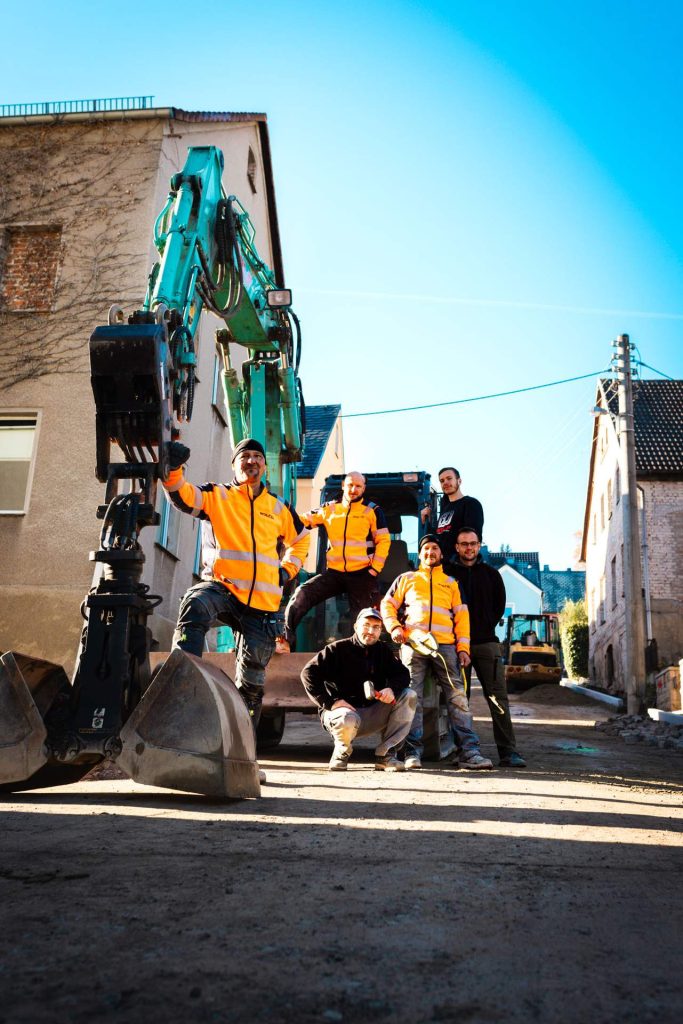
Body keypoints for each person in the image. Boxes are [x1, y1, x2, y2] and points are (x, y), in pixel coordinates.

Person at [162, 437, 309, 724]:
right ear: (235, 465)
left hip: (262, 606)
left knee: (252, 687)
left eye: (257, 456)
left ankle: (246, 752)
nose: (251, 460)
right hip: (223, 587)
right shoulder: (218, 496)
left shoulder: (279, 508)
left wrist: (288, 569)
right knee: (195, 602)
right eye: (244, 456)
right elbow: (182, 495)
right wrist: (173, 469)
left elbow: (301, 540)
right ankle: (183, 677)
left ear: (264, 466)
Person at [380, 534, 493, 770]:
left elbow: (462, 617)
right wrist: (394, 627)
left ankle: (469, 753)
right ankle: (412, 753)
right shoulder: (406, 579)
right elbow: (387, 604)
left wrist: (463, 648)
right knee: (412, 699)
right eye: (426, 549)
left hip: (446, 648)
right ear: (420, 554)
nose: (430, 552)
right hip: (414, 645)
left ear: (441, 554)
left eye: (434, 549)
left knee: (458, 698)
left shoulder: (451, 583)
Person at [279, 472, 391, 651]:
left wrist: (374, 570)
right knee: (302, 594)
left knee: (362, 618)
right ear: (343, 486)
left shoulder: (372, 511)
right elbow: (301, 521)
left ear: (364, 489)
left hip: (362, 574)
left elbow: (384, 541)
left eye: (358, 486)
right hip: (335, 573)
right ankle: (285, 640)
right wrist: (278, 521)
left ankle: (358, 656)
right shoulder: (330, 509)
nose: (353, 489)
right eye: (350, 485)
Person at [301, 607, 417, 772]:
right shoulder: (336, 650)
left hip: (372, 714)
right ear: (356, 626)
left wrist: (391, 689)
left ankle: (386, 755)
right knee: (345, 717)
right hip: (343, 716)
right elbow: (308, 673)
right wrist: (331, 702)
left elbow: (403, 675)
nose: (371, 631)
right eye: (366, 625)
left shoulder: (383, 651)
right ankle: (342, 752)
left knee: (409, 696)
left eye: (376, 627)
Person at [449, 528, 526, 768]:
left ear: (479, 545)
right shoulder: (448, 573)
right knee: (459, 700)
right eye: (464, 544)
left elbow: (498, 607)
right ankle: (461, 751)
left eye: (473, 543)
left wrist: (480, 629)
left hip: (486, 644)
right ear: (457, 547)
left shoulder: (491, 575)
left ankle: (508, 752)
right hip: (455, 644)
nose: (469, 548)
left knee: (497, 698)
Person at [421, 467, 484, 573]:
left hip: (461, 569)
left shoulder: (470, 504)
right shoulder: (444, 510)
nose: (445, 482)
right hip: (441, 569)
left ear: (459, 481)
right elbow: (437, 537)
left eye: (449, 478)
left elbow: (472, 538)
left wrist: (457, 561)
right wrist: (425, 519)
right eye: (442, 481)